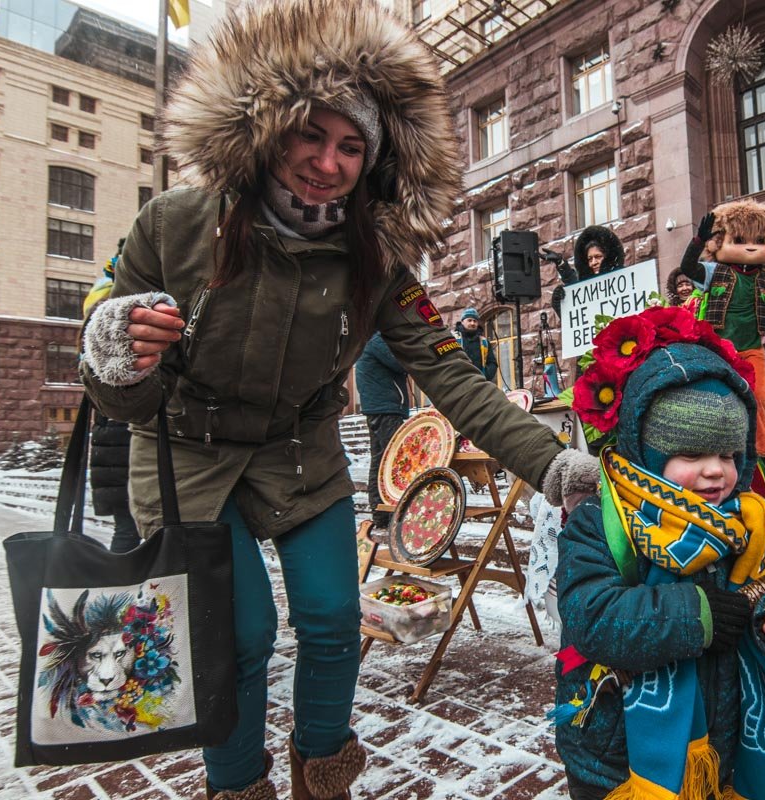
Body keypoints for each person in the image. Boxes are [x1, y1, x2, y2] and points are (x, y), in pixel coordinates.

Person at [78, 3, 593, 798]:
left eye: (351, 146)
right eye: (310, 136)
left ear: (374, 161)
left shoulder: (376, 257)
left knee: (330, 620)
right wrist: (115, 353)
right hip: (186, 455)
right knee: (238, 636)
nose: (327, 162)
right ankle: (237, 786)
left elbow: (452, 376)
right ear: (270, 131)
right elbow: (122, 399)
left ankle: (325, 781)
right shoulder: (174, 225)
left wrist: (550, 464)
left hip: (297, 455)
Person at [556, 322, 765, 800]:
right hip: (616, 747)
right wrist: (696, 615)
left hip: (724, 736)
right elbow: (590, 615)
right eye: (692, 453)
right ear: (646, 450)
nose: (715, 470)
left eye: (727, 453)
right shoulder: (602, 522)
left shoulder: (742, 520)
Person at [679, 200, 765, 458]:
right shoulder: (714, 272)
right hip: (720, 349)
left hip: (752, 349)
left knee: (760, 396)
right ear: (719, 242)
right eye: (738, 239)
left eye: (760, 240)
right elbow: (687, 268)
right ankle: (727, 450)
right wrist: (697, 242)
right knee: (723, 397)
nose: (750, 246)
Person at [82, 241, 141, 554]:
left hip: (112, 438)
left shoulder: (100, 299)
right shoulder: (119, 305)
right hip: (124, 439)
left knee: (128, 533)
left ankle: (127, 595)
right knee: (135, 534)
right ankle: (130, 599)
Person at [354, 334, 409, 529]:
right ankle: (397, 512)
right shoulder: (378, 339)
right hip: (386, 408)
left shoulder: (370, 339)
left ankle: (381, 515)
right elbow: (401, 364)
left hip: (378, 408)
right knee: (397, 461)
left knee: (379, 462)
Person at [549, 225, 626, 316]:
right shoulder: (585, 290)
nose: (593, 263)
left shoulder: (625, 279)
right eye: (590, 259)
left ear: (608, 257)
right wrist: (561, 304)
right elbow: (576, 320)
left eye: (598, 257)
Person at [455, 307, 498, 382]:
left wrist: (485, 376)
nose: (472, 323)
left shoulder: (484, 342)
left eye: (475, 321)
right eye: (469, 320)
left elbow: (492, 363)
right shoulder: (453, 339)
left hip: (479, 383)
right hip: (458, 383)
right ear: (462, 322)